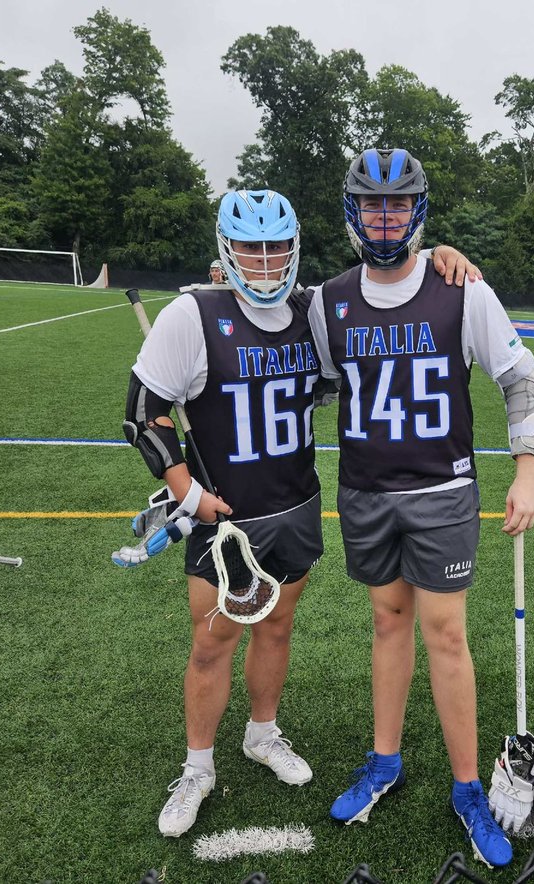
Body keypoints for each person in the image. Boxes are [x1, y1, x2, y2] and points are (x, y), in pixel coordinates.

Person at [120, 188, 481, 838]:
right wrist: (188, 494)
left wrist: (439, 254)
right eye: (250, 249)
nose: (263, 262)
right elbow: (144, 413)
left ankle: (262, 733)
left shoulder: (310, 312)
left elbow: (384, 295)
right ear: (227, 251)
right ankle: (197, 767)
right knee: (212, 643)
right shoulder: (193, 314)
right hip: (224, 517)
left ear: (293, 250)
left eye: (275, 248)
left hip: (295, 504)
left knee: (278, 627)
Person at [307, 149, 534, 869]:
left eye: (396, 205)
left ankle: (468, 786)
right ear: (353, 212)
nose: (384, 219)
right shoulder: (328, 301)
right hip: (366, 492)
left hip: (442, 492)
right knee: (388, 621)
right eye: (372, 205)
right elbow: (306, 382)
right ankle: (385, 761)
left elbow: (523, 379)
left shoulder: (462, 290)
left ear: (416, 211)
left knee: (445, 634)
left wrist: (527, 472)